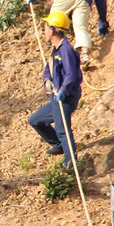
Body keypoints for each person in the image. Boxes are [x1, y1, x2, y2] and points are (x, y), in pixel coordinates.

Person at [28, 11, 82, 167]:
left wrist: (63, 91)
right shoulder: (55, 50)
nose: (44, 32)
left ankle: (71, 161)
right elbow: (48, 70)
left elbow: (71, 75)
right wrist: (47, 81)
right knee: (36, 121)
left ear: (52, 29)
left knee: (62, 129)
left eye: (45, 27)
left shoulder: (65, 50)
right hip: (56, 97)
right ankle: (58, 145)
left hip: (66, 97)